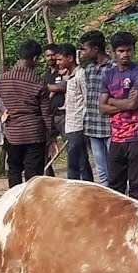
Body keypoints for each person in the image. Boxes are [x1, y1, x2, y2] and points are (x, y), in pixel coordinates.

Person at [0, 40, 54, 188]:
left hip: (12, 134)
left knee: (14, 171)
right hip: (34, 134)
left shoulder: (2, 79)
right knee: (34, 177)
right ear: (35, 59)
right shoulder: (38, 82)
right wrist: (51, 136)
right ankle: (31, 207)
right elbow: (46, 114)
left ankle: (15, 204)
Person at [100, 31, 138, 200]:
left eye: (129, 50)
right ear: (113, 52)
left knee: (136, 186)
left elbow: (133, 104)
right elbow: (102, 108)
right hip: (117, 138)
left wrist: (112, 101)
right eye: (121, 51)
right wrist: (122, 102)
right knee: (115, 186)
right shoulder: (108, 75)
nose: (125, 54)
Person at [79, 30, 114, 186]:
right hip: (93, 127)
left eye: (85, 49)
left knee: (115, 168)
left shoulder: (114, 68)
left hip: (111, 126)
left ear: (95, 49)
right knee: (101, 170)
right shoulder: (89, 69)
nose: (83, 53)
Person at [57, 43, 93, 181]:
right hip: (70, 125)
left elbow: (86, 98)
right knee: (80, 161)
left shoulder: (80, 75)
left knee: (76, 164)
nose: (58, 62)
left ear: (70, 58)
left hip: (79, 125)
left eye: (61, 59)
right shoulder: (69, 77)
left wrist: (85, 121)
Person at [43, 44, 67, 177]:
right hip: (49, 116)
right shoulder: (46, 75)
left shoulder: (64, 71)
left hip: (63, 115)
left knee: (72, 148)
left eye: (53, 55)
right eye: (48, 55)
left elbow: (63, 87)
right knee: (46, 150)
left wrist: (47, 88)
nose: (51, 58)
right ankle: (49, 177)